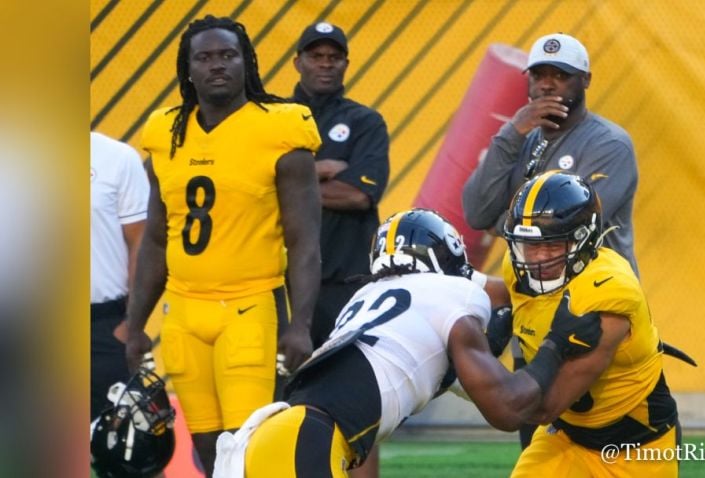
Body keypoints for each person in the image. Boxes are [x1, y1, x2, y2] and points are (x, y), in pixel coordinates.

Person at [211, 208, 604, 478]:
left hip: (275, 437)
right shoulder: (453, 293)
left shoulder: (369, 299)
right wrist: (556, 343)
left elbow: (466, 383)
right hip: (305, 441)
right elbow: (505, 409)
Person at [124, 15, 323, 478]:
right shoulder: (165, 132)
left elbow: (304, 241)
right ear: (187, 68)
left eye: (228, 55)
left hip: (250, 305)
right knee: (209, 449)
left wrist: (300, 324)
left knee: (249, 446)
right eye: (205, 57)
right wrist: (135, 324)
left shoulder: (280, 127)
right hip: (183, 313)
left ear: (247, 62)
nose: (218, 65)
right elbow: (156, 237)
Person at [489, 171, 681, 477]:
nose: (537, 260)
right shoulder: (517, 267)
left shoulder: (607, 293)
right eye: (528, 245)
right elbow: (502, 294)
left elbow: (542, 408)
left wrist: (469, 359)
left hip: (634, 446)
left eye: (552, 246)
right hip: (566, 434)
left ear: (583, 238)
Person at [462, 32, 639, 275]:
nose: (546, 84)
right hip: (536, 288)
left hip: (598, 294)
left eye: (560, 75)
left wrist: (501, 223)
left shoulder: (609, 144)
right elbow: (476, 214)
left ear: (586, 80)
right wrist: (511, 133)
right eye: (538, 75)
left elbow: (569, 228)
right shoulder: (521, 138)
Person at [291, 21, 390, 348]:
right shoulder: (274, 118)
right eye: (316, 55)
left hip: (345, 280)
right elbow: (251, 184)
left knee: (341, 375)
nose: (325, 63)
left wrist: (287, 184)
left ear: (345, 64)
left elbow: (359, 195)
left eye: (334, 57)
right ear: (297, 62)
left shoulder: (365, 121)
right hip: (280, 278)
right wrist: (320, 170)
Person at [90, 131, 149, 422]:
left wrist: (131, 324)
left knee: (132, 446)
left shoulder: (117, 158)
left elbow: (141, 241)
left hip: (105, 325)